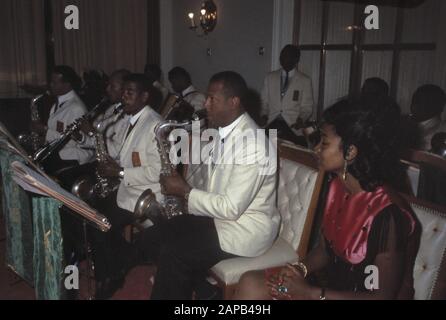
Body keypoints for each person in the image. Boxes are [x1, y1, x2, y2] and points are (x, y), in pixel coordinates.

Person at [234, 100, 421, 300]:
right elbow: (325, 250)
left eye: (323, 142)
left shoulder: (388, 214)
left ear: (350, 152)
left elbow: (381, 296)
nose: (315, 149)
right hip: (329, 290)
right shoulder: (337, 188)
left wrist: (310, 293)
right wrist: (300, 269)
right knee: (251, 284)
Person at [136, 71, 280, 300]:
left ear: (233, 102)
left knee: (175, 253)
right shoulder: (223, 132)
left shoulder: (254, 145)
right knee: (151, 238)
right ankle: (203, 291)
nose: (205, 104)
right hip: (218, 219)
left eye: (213, 99)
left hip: (244, 229)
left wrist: (184, 191)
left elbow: (231, 208)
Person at [88, 73, 164, 299]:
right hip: (127, 189)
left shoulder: (155, 126)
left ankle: (111, 276)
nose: (124, 97)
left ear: (144, 96)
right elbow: (127, 155)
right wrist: (113, 164)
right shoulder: (129, 118)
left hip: (146, 196)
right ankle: (119, 264)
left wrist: (119, 171)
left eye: (130, 92)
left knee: (99, 225)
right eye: (124, 92)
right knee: (91, 213)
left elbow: (159, 172)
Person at [31, 65, 94, 175]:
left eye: (54, 82)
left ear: (67, 84)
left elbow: (72, 140)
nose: (50, 85)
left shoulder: (76, 108)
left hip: (71, 159)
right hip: (59, 153)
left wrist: (45, 131)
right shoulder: (60, 102)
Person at [261, 44, 314, 146]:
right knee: (271, 153)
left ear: (296, 59)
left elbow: (307, 107)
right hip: (273, 123)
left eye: (289, 56)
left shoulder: (304, 80)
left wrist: (301, 119)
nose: (284, 59)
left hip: (293, 127)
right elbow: (263, 102)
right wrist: (263, 115)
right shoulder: (270, 77)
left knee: (292, 156)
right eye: (282, 56)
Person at [410, 84, 446, 151]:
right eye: (414, 101)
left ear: (438, 107)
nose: (414, 106)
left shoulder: (442, 132)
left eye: (421, 102)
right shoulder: (405, 124)